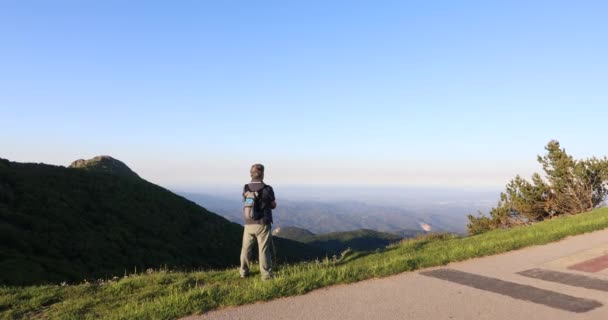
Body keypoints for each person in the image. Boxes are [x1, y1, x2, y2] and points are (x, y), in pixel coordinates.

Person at [239, 163, 277, 280]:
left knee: (246, 248)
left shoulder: (246, 187)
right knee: (263, 250)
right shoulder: (267, 189)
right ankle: (266, 275)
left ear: (251, 174)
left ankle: (243, 272)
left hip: (248, 223)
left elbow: (246, 201)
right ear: (262, 174)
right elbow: (273, 205)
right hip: (262, 224)